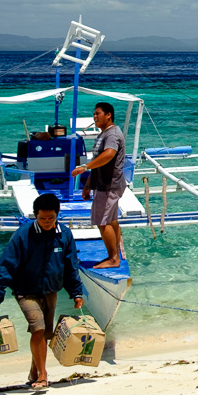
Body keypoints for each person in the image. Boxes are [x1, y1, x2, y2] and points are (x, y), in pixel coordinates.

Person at [0, 192, 85, 390]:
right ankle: (43, 374)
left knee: (45, 334)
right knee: (37, 328)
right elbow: (6, 265)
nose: (47, 222)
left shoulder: (64, 234)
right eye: (42, 218)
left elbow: (70, 265)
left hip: (50, 291)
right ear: (35, 215)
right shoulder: (22, 235)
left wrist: (76, 292)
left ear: (57, 215)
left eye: (51, 218)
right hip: (25, 291)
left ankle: (33, 373)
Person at [71, 101, 126, 269]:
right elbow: (98, 162)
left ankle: (113, 258)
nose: (94, 117)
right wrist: (88, 184)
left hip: (109, 185)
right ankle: (116, 254)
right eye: (94, 114)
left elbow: (109, 154)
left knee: (103, 222)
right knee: (111, 220)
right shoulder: (103, 134)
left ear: (108, 115)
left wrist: (84, 167)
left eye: (98, 114)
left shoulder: (112, 134)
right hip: (104, 184)